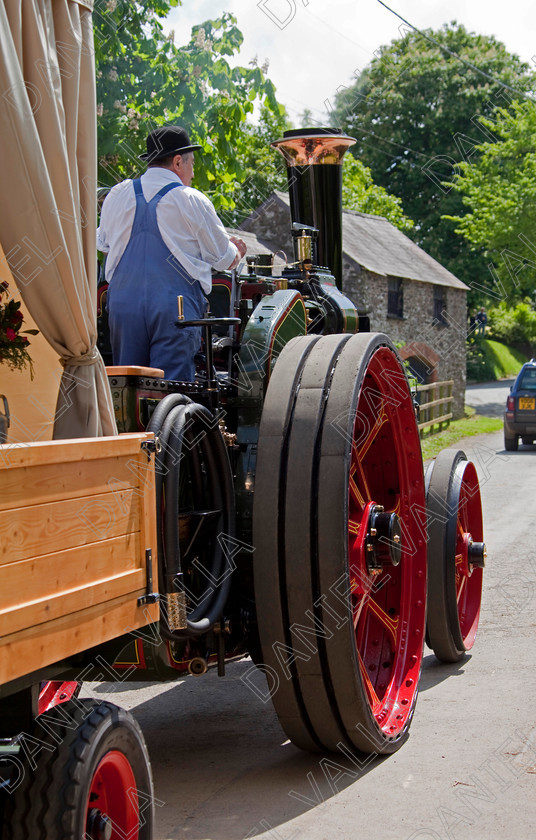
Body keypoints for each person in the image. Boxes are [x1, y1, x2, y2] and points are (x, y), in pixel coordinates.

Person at [97, 125, 247, 381]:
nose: (192, 171)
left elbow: (103, 243)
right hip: (173, 308)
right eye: (191, 164)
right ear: (178, 162)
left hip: (124, 306)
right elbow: (224, 258)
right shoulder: (191, 199)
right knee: (172, 391)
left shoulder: (117, 194)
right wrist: (237, 251)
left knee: (129, 385)